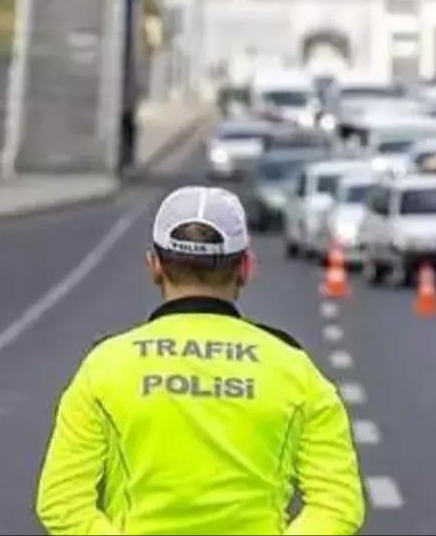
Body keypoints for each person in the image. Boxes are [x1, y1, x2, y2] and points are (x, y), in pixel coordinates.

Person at [36, 186, 365, 535]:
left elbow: (61, 503)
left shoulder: (105, 367)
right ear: (245, 268)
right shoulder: (294, 369)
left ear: (155, 266)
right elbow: (338, 505)